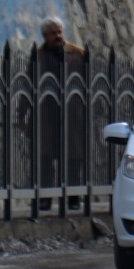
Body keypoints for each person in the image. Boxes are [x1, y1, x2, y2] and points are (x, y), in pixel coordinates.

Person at [36, 16, 87, 211]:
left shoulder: (77, 54)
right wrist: (22, 116)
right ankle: (46, 198)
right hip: (47, 115)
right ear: (45, 36)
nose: (58, 36)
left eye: (59, 32)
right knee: (46, 159)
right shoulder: (38, 56)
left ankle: (73, 198)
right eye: (53, 33)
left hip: (72, 114)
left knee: (73, 158)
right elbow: (29, 85)